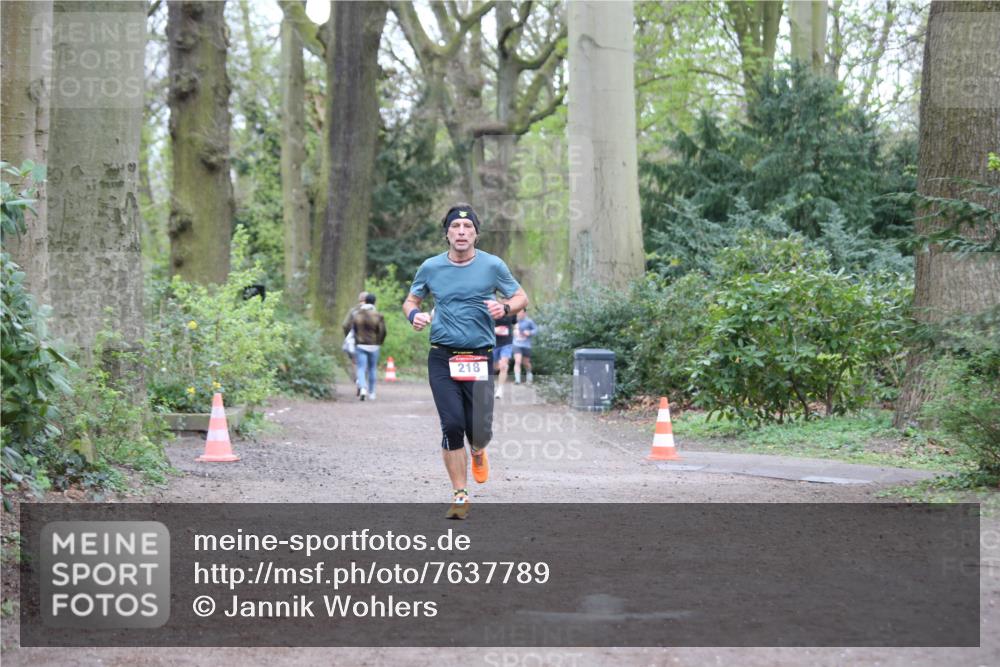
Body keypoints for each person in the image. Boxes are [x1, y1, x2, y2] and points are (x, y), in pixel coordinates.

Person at [403, 203, 528, 519]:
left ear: (476, 233)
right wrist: (415, 316)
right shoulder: (430, 267)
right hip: (442, 356)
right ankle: (460, 494)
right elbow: (411, 301)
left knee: (480, 429)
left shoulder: (492, 265)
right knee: (453, 424)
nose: (461, 232)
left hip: (480, 356)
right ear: (446, 233)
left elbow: (520, 297)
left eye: (468, 228)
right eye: (455, 228)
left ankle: (478, 448)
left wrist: (506, 309)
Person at [352, 293, 386, 401]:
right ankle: (371, 392)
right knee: (372, 369)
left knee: (361, 368)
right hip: (374, 346)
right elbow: (383, 331)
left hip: (360, 345)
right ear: (374, 302)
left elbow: (353, 329)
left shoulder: (357, 314)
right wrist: (379, 342)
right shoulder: (378, 315)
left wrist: (356, 340)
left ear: (365, 301)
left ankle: (362, 388)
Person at [341, 291, 369, 391]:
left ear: (359, 300)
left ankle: (358, 380)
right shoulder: (372, 310)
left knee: (355, 361)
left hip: (355, 340)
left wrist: (348, 335)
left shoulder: (353, 311)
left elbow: (345, 325)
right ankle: (363, 382)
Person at [492, 312, 517, 399]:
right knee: (494, 367)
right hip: (493, 343)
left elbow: (515, 323)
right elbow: (483, 325)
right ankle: (493, 385)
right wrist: (494, 330)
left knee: (503, 365)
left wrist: (516, 330)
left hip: (507, 343)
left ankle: (500, 389)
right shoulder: (491, 308)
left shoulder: (512, 310)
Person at [512, 307, 537, 385]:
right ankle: (517, 380)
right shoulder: (514, 320)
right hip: (516, 344)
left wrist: (529, 332)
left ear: (525, 313)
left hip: (526, 345)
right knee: (517, 361)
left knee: (526, 363)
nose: (519, 314)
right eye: (518, 312)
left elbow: (536, 330)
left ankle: (529, 376)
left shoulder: (529, 321)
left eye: (521, 312)